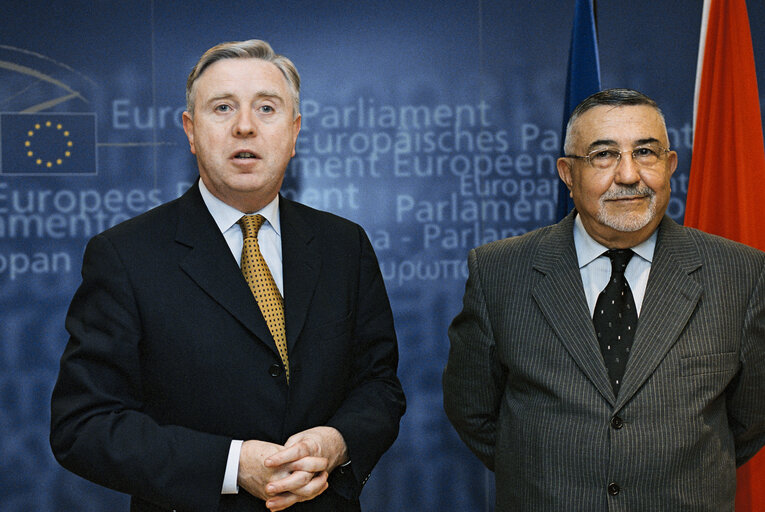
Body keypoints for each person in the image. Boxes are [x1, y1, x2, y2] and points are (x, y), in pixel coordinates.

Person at [50, 39, 405, 512]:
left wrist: (337, 442)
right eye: (222, 108)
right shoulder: (125, 255)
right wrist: (232, 464)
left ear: (294, 132)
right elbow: (85, 424)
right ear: (191, 131)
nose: (244, 126)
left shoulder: (345, 245)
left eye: (266, 108)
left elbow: (379, 386)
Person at [443, 88, 765, 511]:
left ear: (670, 166)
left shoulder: (740, 273)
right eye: (603, 155)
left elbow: (749, 417)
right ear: (567, 173)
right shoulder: (500, 272)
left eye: (646, 152)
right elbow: (474, 410)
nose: (629, 174)